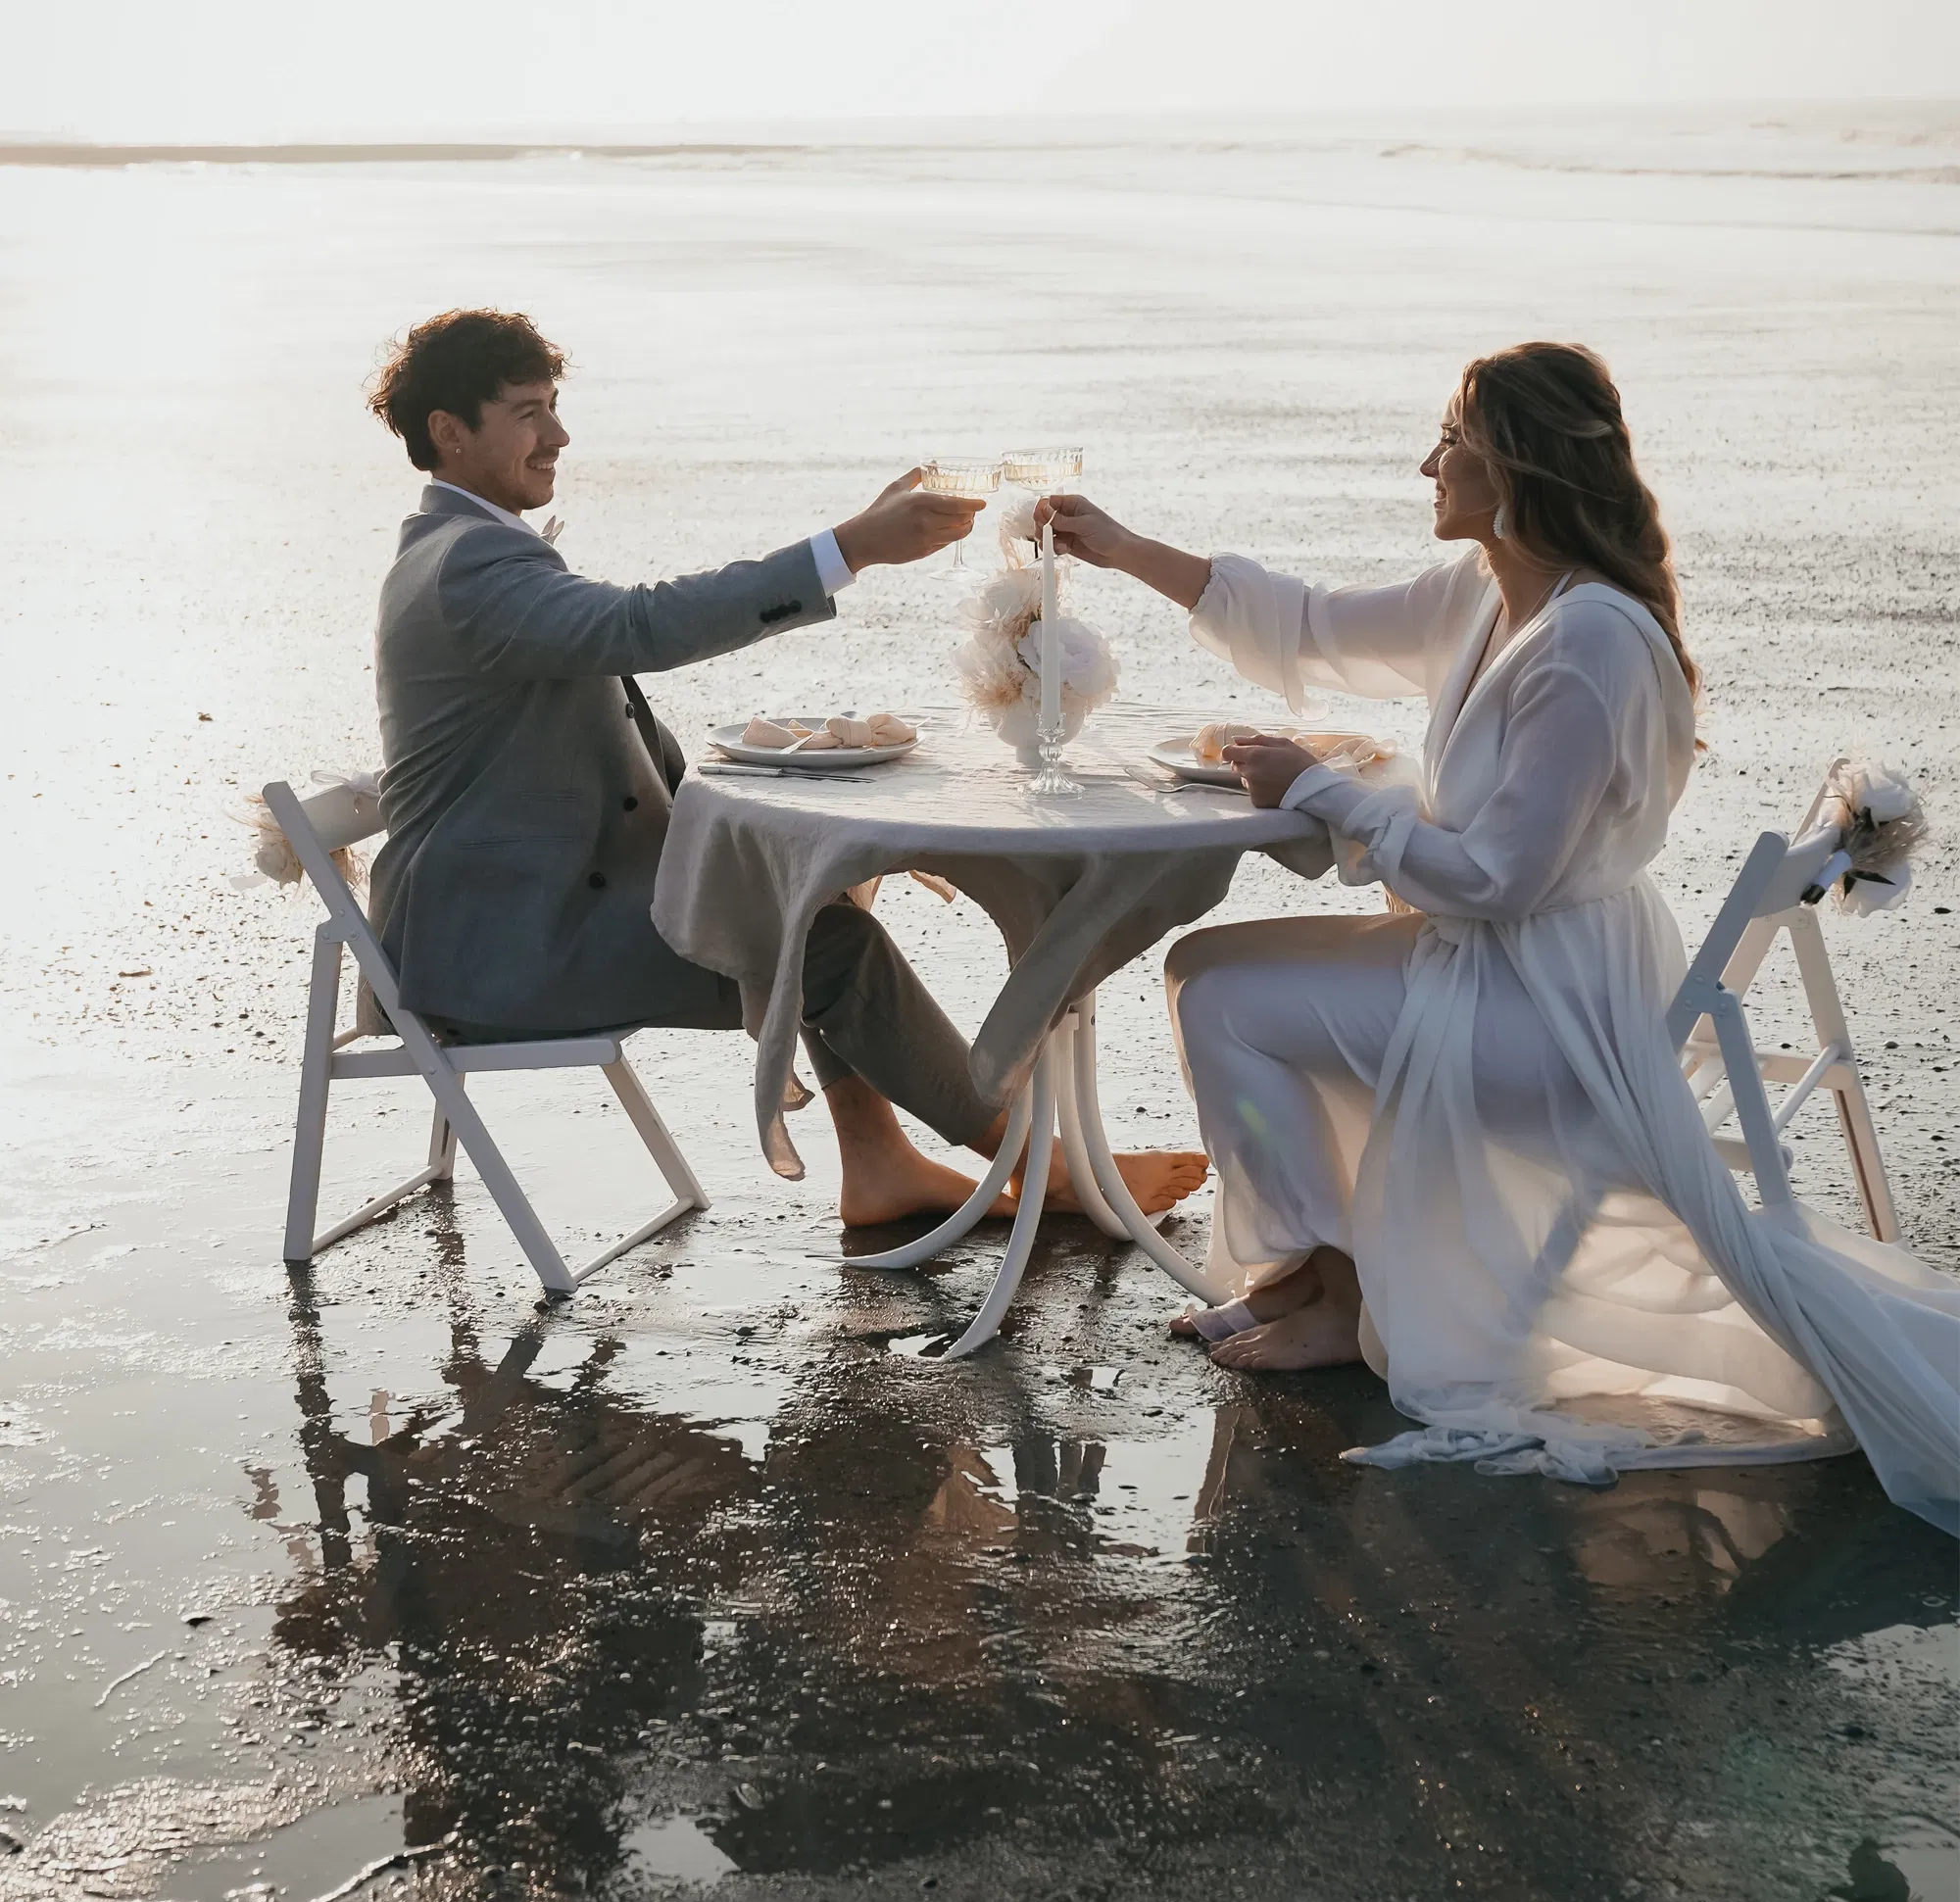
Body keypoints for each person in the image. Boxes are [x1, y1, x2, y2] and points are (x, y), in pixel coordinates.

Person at [1039, 342, 1957, 1533]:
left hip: (1546, 1008)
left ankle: (1336, 1293)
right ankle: (1313, 1272)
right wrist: (1119, 547)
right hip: (1499, 961)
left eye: (1452, 445)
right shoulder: (1492, 588)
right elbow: (1311, 624)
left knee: (1221, 998)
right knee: (1204, 966)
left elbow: (1497, 878)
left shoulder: (1587, 645)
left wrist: (1327, 789)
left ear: (1514, 467)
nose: (1428, 463)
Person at [363, 310, 1205, 1229]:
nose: (558, 434)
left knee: (807, 897)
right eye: (529, 412)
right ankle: (1041, 1167)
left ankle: (881, 1167)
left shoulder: (457, 551)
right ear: (450, 430)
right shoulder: (469, 567)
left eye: (554, 407)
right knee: (822, 943)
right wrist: (848, 547)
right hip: (504, 951)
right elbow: (644, 624)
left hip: (516, 912)